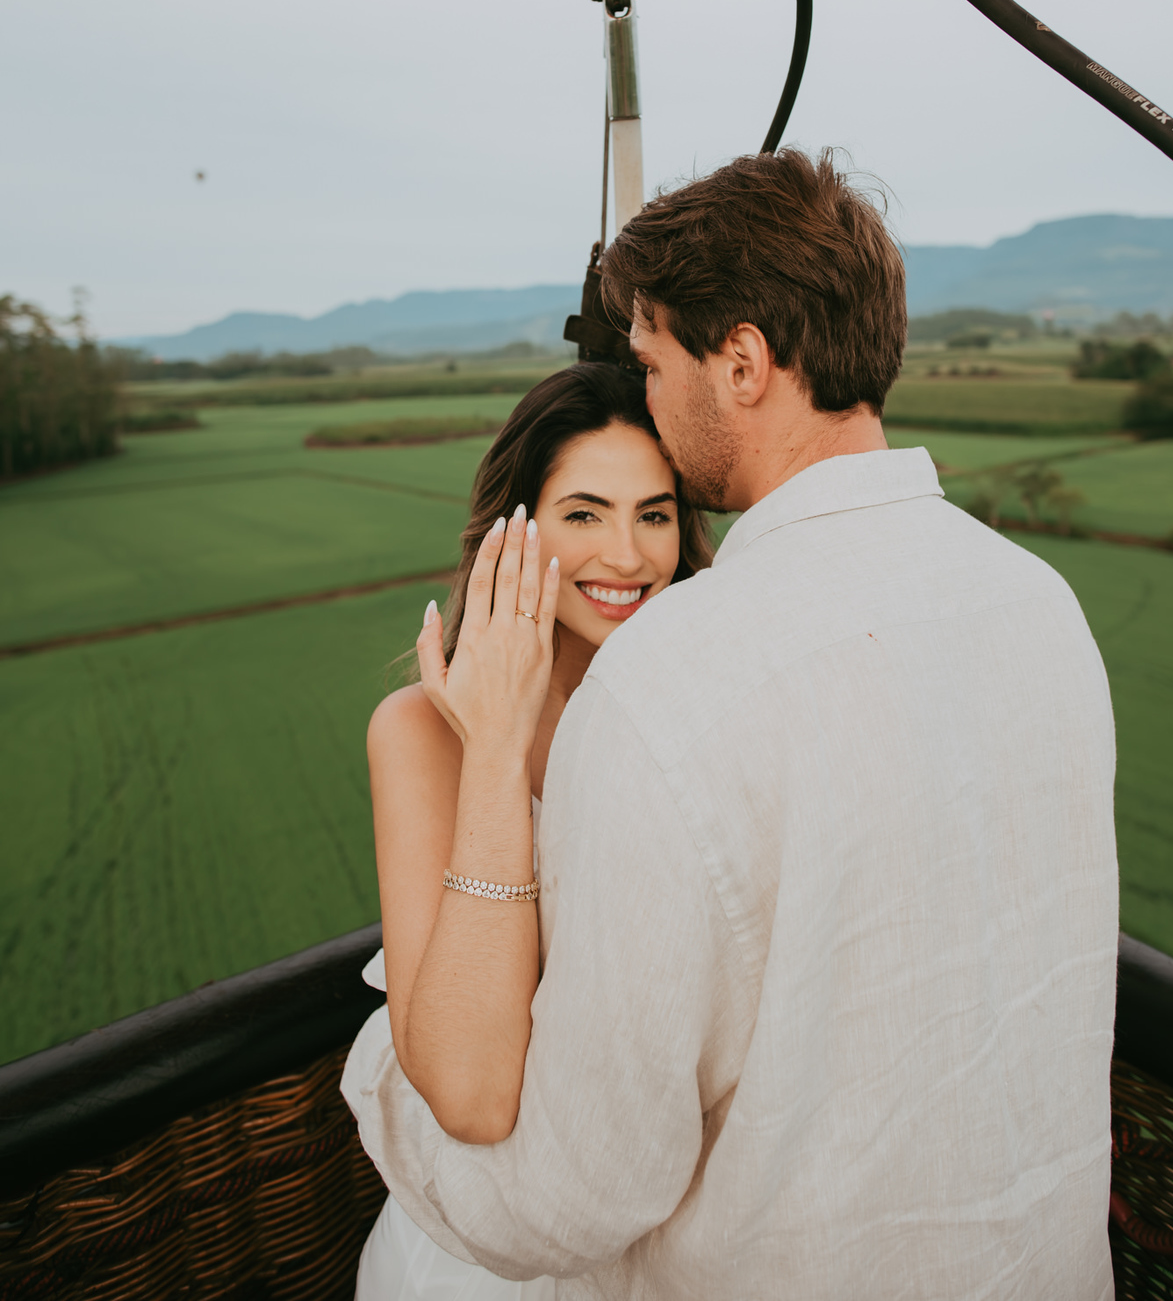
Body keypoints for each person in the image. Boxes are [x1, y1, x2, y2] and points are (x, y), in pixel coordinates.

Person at [344, 148, 1118, 1301]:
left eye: (653, 361)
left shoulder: (671, 682)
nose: (647, 394)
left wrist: (383, 1086)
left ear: (743, 363)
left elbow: (570, 1192)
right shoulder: (1041, 605)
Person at [349, 360, 714, 1300]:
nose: (628, 557)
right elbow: (471, 1092)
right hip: (496, 1239)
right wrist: (498, 750)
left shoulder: (698, 716)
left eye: (655, 513)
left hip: (671, 1205)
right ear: (514, 535)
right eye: (584, 514)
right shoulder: (419, 735)